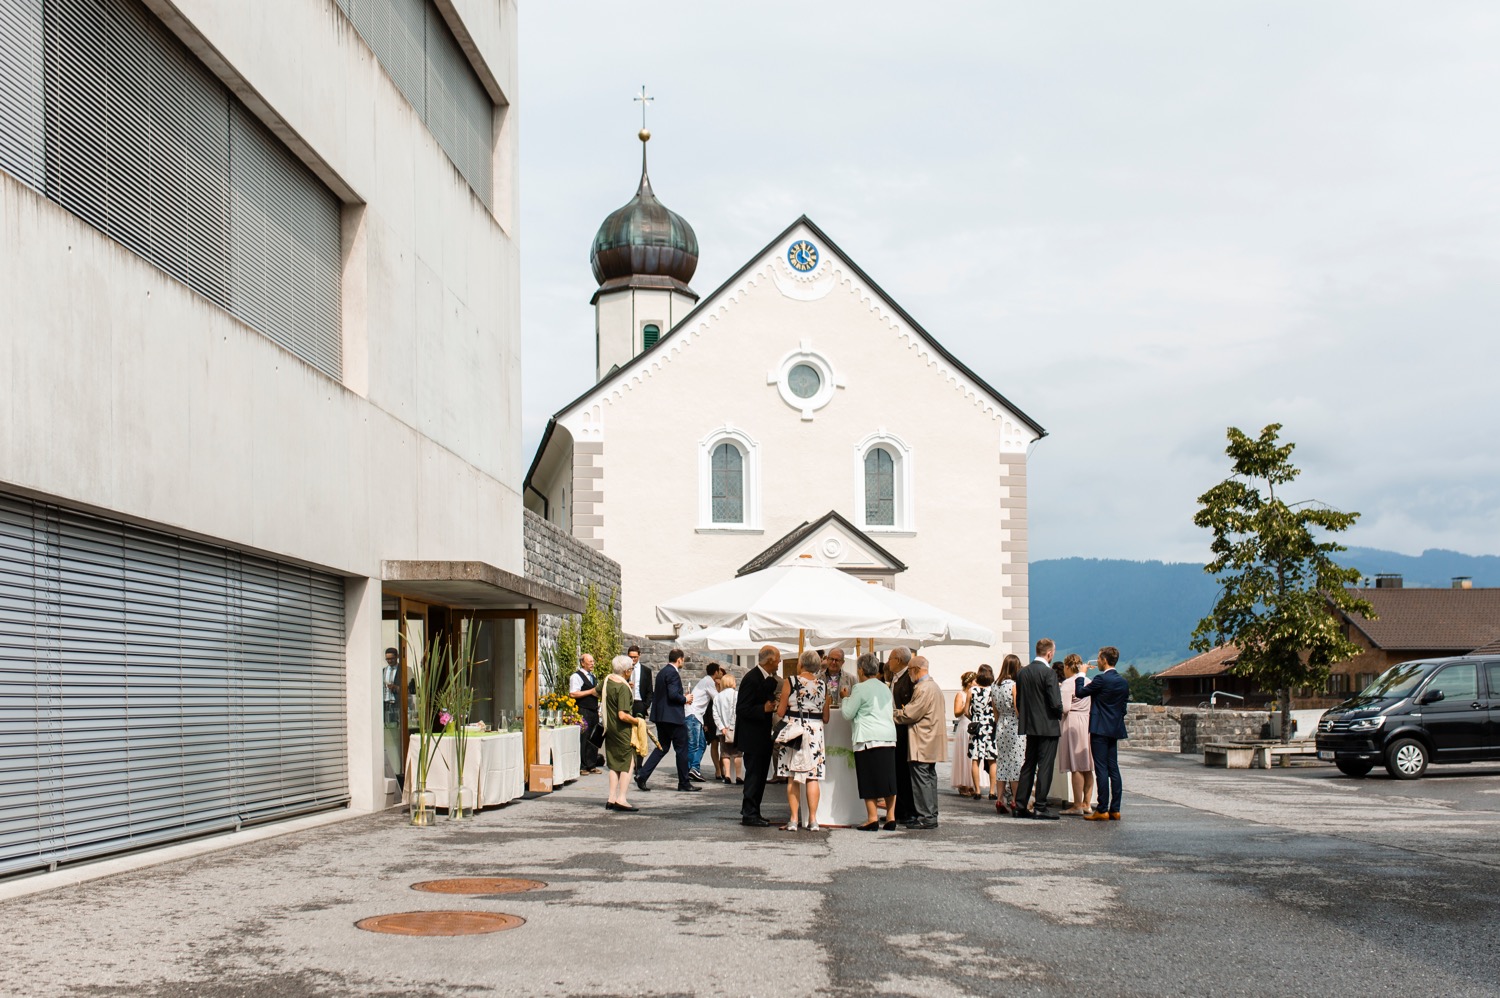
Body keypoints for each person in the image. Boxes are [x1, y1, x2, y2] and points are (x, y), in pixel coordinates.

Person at [841, 652, 898, 830]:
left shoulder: (860, 688)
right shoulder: (884, 687)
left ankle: (872, 818)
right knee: (889, 778)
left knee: (869, 777)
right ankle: (890, 816)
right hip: (888, 736)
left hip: (868, 736)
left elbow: (848, 713)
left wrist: (845, 698)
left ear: (860, 670)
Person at [775, 649, 830, 831]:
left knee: (793, 776)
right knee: (812, 777)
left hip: (795, 731)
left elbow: (781, 711)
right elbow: (826, 717)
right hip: (815, 732)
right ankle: (813, 820)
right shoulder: (823, 685)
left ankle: (793, 819)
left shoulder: (790, 681)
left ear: (801, 664)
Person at [1078, 646, 1130, 821]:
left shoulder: (1101, 679)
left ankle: (1102, 809)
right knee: (1113, 768)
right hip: (1114, 728)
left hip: (1100, 728)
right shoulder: (1123, 682)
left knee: (1101, 769)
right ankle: (1115, 808)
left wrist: (1081, 674)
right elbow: (1123, 708)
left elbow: (1080, 693)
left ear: (1104, 660)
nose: (1098, 661)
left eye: (1099, 658)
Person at [635, 649, 698, 793]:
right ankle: (684, 783)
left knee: (662, 747)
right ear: (680, 659)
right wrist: (685, 699)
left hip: (661, 717)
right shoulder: (673, 673)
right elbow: (673, 694)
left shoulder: (663, 672)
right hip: (673, 718)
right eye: (683, 660)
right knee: (682, 749)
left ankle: (642, 775)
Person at [1014, 638, 1063, 820]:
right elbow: (1055, 702)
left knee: (1028, 765)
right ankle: (1040, 806)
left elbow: (1019, 700)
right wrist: (1058, 713)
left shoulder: (1022, 673)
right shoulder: (1049, 674)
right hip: (1048, 725)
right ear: (1049, 654)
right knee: (1045, 766)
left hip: (1029, 725)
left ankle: (1020, 805)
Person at [893, 655, 944, 829]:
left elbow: (910, 714)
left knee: (921, 780)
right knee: (929, 778)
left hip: (922, 740)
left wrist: (893, 714)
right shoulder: (934, 686)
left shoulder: (923, 688)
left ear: (915, 670)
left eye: (909, 671)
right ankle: (931, 814)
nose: (909, 675)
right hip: (930, 739)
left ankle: (926, 816)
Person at [737, 645, 782, 826]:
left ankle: (754, 810)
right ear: (770, 660)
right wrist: (762, 709)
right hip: (752, 736)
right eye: (778, 658)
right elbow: (742, 708)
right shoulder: (752, 678)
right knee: (754, 775)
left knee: (761, 774)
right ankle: (749, 813)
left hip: (761, 735)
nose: (779, 662)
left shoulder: (766, 678)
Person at [1058, 654, 1095, 816]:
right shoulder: (1088, 681)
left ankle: (1077, 804)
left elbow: (1065, 707)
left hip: (1072, 722)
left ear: (1067, 667)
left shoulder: (1067, 684)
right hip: (1087, 721)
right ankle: (1087, 803)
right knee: (1087, 765)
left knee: (1076, 766)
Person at [602, 655, 641, 812]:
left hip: (608, 728)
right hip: (622, 730)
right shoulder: (623, 688)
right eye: (630, 669)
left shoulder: (607, 681)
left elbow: (596, 692)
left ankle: (611, 797)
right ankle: (622, 798)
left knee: (613, 764)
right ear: (626, 671)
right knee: (628, 762)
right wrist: (638, 722)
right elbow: (622, 715)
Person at [993, 654, 1026, 814]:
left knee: (1002, 762)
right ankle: (1015, 799)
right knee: (1016, 763)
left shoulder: (995, 685)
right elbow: (1017, 707)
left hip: (1001, 726)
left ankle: (999, 799)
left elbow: (995, 712)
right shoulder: (1014, 685)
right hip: (1014, 726)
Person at [888, 646, 916, 823]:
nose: (889, 662)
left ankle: (907, 811)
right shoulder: (895, 678)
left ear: (898, 660)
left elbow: (909, 707)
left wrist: (895, 714)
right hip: (896, 729)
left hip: (904, 731)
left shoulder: (908, 679)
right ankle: (898, 811)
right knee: (897, 771)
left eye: (890, 658)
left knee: (904, 772)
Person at [967, 664, 1000, 800]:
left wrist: (975, 718)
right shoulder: (993, 690)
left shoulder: (972, 690)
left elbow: (965, 711)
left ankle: (978, 790)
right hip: (990, 726)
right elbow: (996, 709)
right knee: (992, 759)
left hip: (977, 726)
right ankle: (992, 791)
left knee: (976, 759)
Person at [685, 661, 720, 782]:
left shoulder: (705, 680)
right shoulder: (709, 681)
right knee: (694, 745)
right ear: (716, 672)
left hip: (695, 715)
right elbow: (717, 698)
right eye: (719, 671)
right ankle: (691, 769)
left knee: (701, 744)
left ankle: (693, 769)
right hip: (693, 714)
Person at [569, 653, 603, 774]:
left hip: (593, 710)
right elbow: (573, 693)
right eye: (590, 661)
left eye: (593, 661)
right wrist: (590, 691)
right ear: (583, 663)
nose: (592, 663)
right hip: (583, 710)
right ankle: (582, 766)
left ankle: (591, 764)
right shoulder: (576, 677)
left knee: (594, 738)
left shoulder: (593, 676)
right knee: (584, 738)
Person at [713, 670, 743, 784]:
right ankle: (739, 776)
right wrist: (732, 726)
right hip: (735, 729)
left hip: (722, 730)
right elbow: (738, 711)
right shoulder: (737, 695)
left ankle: (727, 775)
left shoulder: (717, 697)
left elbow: (715, 713)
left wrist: (722, 727)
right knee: (737, 753)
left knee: (725, 753)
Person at [951, 671, 977, 798]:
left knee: (973, 757)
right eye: (975, 681)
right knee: (964, 755)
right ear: (969, 683)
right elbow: (956, 713)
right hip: (964, 726)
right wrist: (966, 705)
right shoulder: (960, 695)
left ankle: (971, 783)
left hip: (973, 726)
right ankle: (963, 784)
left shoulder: (976, 694)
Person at [628, 645, 653, 718]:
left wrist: (645, 705)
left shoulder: (646, 671)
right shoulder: (624, 669)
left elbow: (649, 690)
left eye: (635, 657)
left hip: (640, 703)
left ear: (639, 656)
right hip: (626, 702)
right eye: (630, 657)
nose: (632, 659)